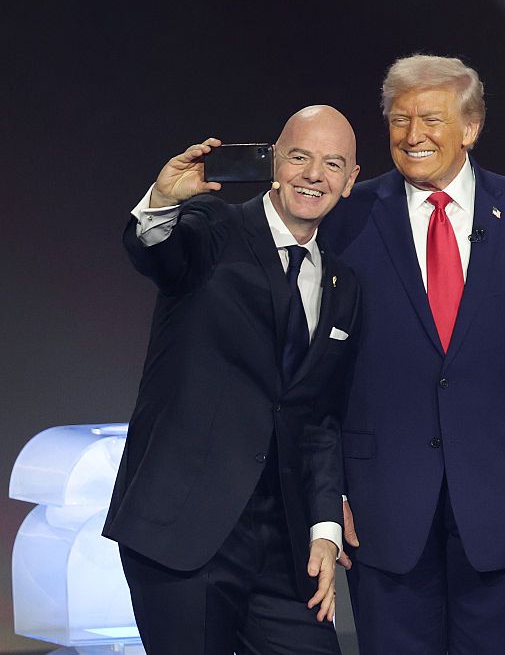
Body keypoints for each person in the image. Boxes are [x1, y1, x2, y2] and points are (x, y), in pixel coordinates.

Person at [318, 54, 505, 654]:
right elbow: (321, 376)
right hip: (381, 503)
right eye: (399, 120)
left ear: (470, 128)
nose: (412, 135)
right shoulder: (346, 219)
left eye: (431, 120)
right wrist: (329, 496)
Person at [102, 105, 362, 655]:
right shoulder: (212, 228)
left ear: (350, 179)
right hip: (182, 534)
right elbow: (156, 253)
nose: (315, 174)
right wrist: (163, 201)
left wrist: (323, 529)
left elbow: (318, 419)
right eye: (300, 157)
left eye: (332, 163)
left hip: (283, 545)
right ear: (274, 162)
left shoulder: (344, 283)